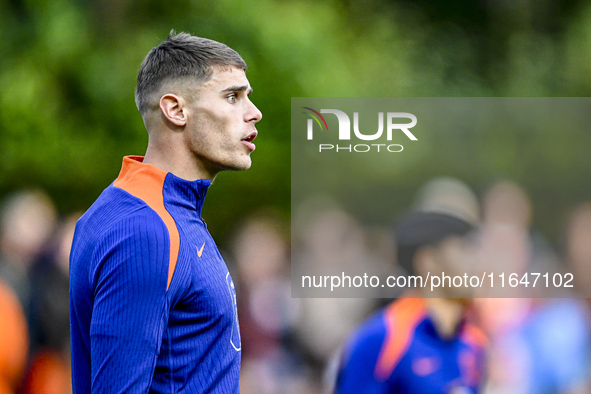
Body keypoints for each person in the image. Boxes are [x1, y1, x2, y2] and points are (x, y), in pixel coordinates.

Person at [69, 30, 262, 393]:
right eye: (233, 97)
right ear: (175, 109)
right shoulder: (145, 230)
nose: (254, 113)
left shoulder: (163, 211)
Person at [334, 210, 487, 393]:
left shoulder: (474, 341)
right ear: (427, 261)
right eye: (463, 249)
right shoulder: (383, 338)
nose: (476, 265)